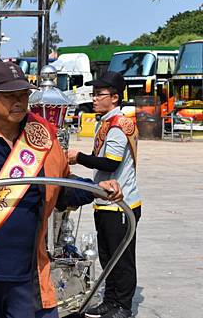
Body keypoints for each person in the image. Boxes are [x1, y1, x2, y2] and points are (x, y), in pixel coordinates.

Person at [0, 62, 123, 318]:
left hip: (29, 273)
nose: (19, 102)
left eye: (23, 95)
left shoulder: (43, 138)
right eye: (10, 96)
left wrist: (96, 189)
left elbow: (63, 187)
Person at [67, 71, 141, 318]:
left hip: (121, 203)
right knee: (108, 256)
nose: (95, 98)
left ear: (115, 97)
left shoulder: (119, 125)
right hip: (105, 201)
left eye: (100, 94)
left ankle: (123, 305)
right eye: (94, 94)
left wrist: (79, 157)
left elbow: (110, 162)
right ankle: (110, 301)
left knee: (122, 258)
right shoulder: (106, 122)